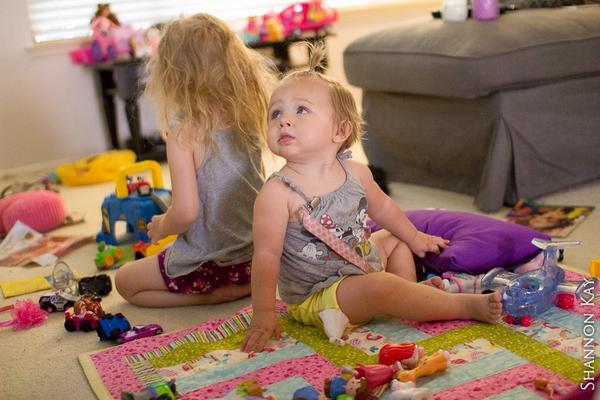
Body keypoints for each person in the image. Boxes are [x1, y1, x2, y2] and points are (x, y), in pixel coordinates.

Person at [241, 44, 503, 352]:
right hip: (320, 294)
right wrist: (263, 313)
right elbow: (266, 256)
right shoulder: (277, 193)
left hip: (361, 261)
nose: (284, 120)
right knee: (380, 286)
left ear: (340, 130)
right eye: (276, 113)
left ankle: (409, 295)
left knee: (397, 240)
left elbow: (384, 208)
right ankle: (461, 306)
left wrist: (416, 237)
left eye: (301, 110)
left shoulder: (355, 172)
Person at [115, 13, 274, 307]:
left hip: (210, 264)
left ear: (173, 77)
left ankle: (209, 296)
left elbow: (185, 213)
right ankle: (240, 286)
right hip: (258, 257)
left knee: (125, 281)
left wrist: (162, 226)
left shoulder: (183, 134)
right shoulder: (248, 116)